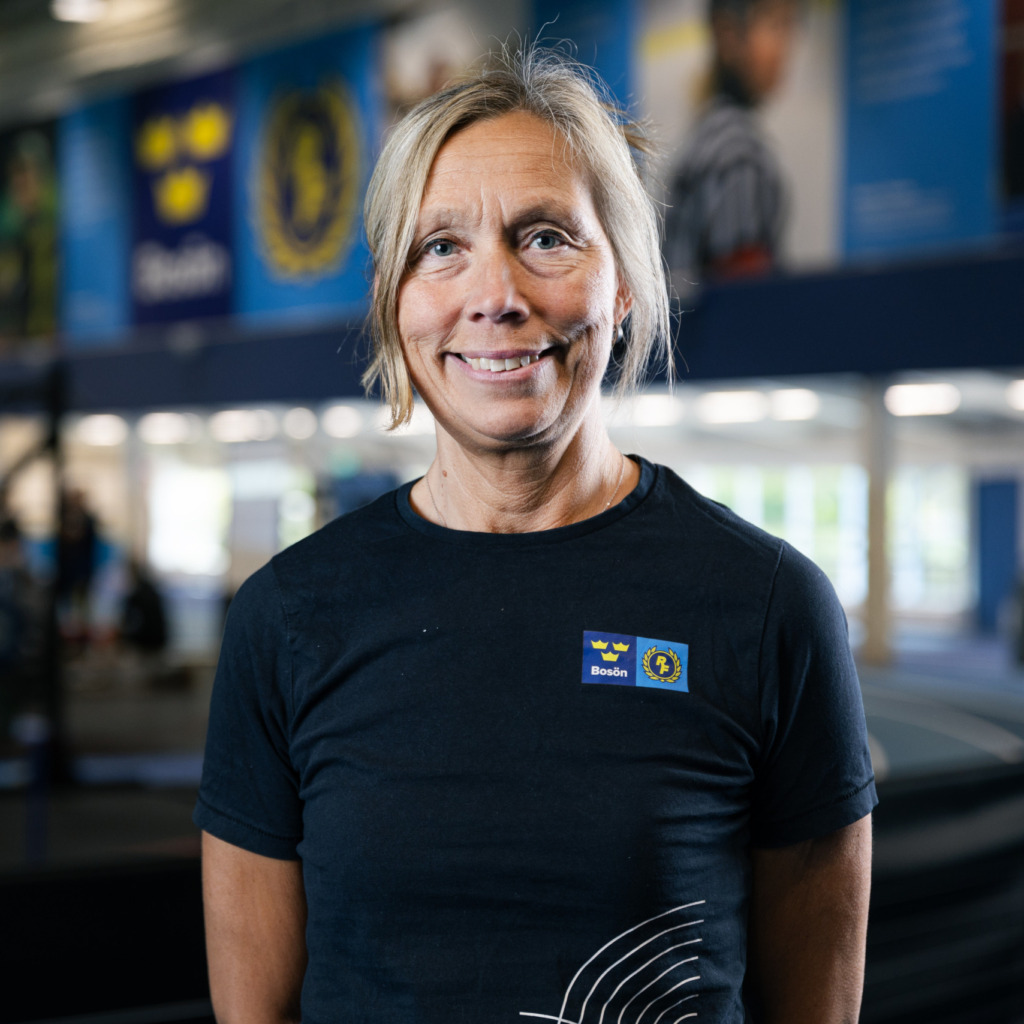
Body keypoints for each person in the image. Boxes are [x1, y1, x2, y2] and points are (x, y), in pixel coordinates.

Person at [195, 45, 875, 1024]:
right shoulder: (288, 618)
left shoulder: (767, 607)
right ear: (392, 298)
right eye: (440, 248)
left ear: (624, 281)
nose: (496, 294)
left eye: (546, 237)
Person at [664, 0, 799, 288]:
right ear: (727, 33)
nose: (785, 47)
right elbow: (744, 295)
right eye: (774, 25)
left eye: (790, 27)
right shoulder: (738, 151)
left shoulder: (708, 134)